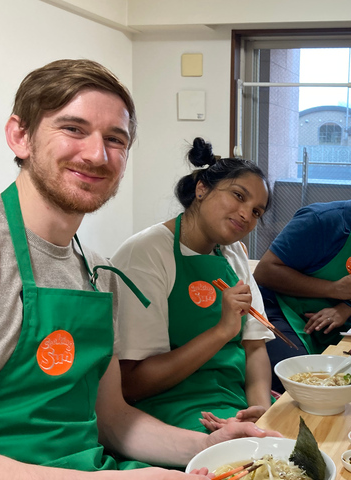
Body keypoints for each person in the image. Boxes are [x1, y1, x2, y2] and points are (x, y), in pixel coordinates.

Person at [0, 59, 277, 479]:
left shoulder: (98, 272)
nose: (97, 154)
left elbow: (113, 419)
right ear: (19, 136)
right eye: (73, 129)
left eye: (115, 139)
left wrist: (205, 446)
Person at [111, 138, 274, 434]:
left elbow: (254, 347)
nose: (246, 215)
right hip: (167, 410)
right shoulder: (146, 254)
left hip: (233, 401)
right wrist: (222, 331)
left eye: (256, 212)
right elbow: (133, 384)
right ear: (201, 189)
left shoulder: (233, 253)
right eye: (238, 196)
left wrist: (261, 413)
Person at [254, 156, 351, 392]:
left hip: (338, 318)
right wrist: (333, 289)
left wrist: (347, 307)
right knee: (299, 381)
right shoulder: (320, 221)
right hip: (281, 310)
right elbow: (264, 272)